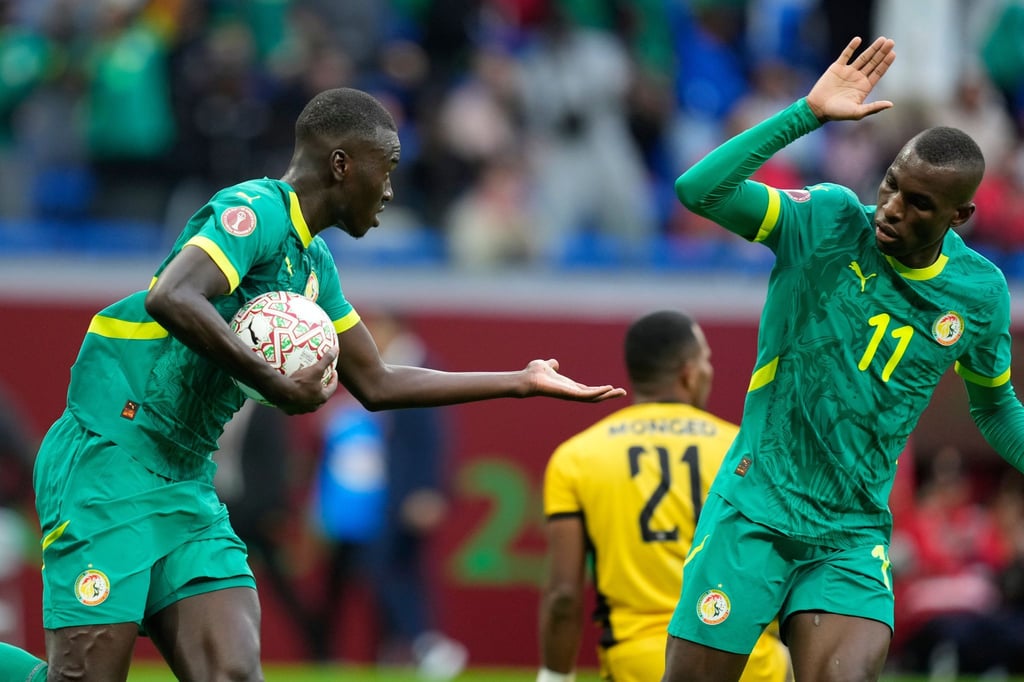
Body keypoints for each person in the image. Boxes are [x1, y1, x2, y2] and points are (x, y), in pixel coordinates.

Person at [6, 86, 624, 682]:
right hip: (112, 458)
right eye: (386, 168)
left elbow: (376, 381)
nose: (389, 190)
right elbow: (173, 294)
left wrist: (519, 381)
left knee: (232, 672)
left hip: (184, 480)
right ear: (341, 163)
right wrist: (270, 379)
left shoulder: (314, 267)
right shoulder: (255, 211)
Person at [663, 36, 1024, 682]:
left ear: (959, 214)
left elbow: (995, 409)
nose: (889, 208)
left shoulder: (978, 295)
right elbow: (699, 190)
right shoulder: (827, 220)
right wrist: (808, 113)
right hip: (755, 509)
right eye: (891, 186)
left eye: (917, 203)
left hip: (850, 536)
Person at [537, 310, 792, 682]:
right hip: (745, 664)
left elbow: (563, 596)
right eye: (706, 359)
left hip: (637, 664)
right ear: (689, 373)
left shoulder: (577, 456)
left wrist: (554, 677)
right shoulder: (745, 451)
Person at [309, 311, 467, 678]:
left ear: (396, 329)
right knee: (393, 570)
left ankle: (425, 643)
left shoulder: (420, 366)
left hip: (406, 493)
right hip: (385, 493)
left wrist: (428, 490)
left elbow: (433, 440)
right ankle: (407, 647)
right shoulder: (391, 366)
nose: (371, 336)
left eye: (376, 329)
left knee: (390, 570)